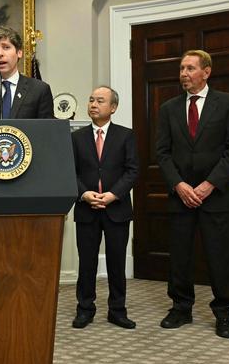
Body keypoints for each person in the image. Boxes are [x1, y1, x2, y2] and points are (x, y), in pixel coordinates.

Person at [155, 49, 229, 339]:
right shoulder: (168, 108)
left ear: (206, 72)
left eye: (190, 68)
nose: (184, 74)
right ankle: (181, 308)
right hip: (180, 195)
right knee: (180, 256)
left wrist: (208, 185)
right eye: (181, 68)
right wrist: (179, 185)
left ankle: (224, 313)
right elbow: (162, 153)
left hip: (216, 196)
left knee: (221, 256)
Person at [70, 86, 139, 329]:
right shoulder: (76, 138)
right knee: (86, 262)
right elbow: (71, 172)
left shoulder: (126, 135)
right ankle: (85, 309)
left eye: (100, 101)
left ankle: (117, 310)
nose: (93, 104)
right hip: (87, 209)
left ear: (113, 107)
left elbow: (132, 171)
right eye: (91, 100)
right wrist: (85, 194)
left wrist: (113, 195)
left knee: (116, 262)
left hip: (116, 209)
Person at [0, 26, 54, 120]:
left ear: (19, 53)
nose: (0, 53)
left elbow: (47, 131)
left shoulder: (39, 90)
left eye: (6, 47)